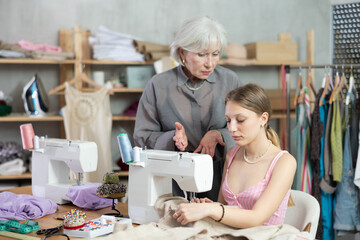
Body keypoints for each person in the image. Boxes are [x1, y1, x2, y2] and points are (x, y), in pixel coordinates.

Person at [133, 16, 242, 201]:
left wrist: (220, 134)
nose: (210, 63)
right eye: (201, 55)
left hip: (222, 177)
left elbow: (248, 127)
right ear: (182, 52)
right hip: (172, 179)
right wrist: (171, 138)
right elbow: (142, 137)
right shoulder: (158, 85)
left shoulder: (230, 81)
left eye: (215, 54)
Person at [172, 84, 297, 228]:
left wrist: (212, 210)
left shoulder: (284, 162)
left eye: (241, 120)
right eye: (228, 120)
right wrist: (208, 207)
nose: (231, 128)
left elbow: (256, 218)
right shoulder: (232, 155)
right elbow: (224, 207)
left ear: (263, 118)